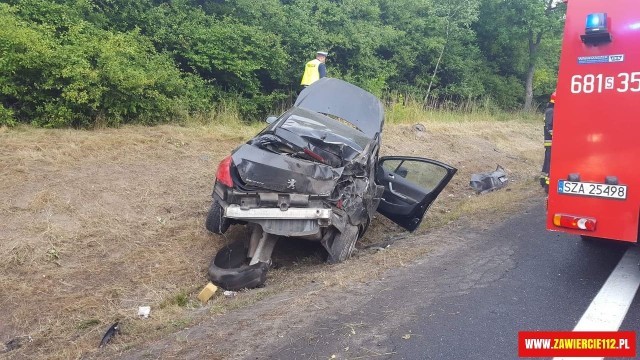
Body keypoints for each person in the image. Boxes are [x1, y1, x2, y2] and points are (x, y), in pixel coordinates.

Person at [540, 91, 555, 192]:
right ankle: (547, 186)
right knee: (549, 163)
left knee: (548, 163)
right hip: (551, 142)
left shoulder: (550, 110)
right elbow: (550, 128)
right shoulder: (551, 111)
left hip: (551, 142)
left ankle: (544, 181)